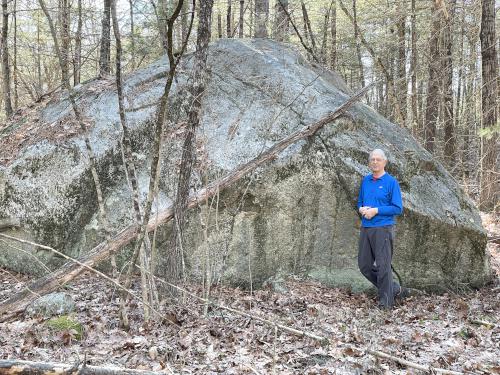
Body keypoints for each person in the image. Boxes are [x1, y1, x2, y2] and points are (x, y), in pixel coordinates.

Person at [357, 149, 408, 309]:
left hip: (384, 228)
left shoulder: (391, 182)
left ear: (385, 162)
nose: (375, 162)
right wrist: (361, 209)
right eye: (372, 159)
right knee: (364, 265)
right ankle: (393, 289)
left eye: (378, 159)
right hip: (366, 227)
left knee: (383, 266)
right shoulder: (366, 181)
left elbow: (397, 208)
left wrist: (376, 210)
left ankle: (386, 304)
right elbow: (360, 202)